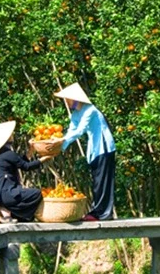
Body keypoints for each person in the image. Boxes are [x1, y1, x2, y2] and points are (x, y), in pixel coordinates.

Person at [54, 83, 116, 221]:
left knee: (103, 181)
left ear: (75, 98)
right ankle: (97, 212)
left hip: (103, 147)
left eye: (67, 99)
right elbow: (72, 130)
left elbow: (80, 130)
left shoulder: (90, 110)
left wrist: (60, 142)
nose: (66, 102)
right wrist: (60, 145)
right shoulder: (76, 113)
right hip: (94, 149)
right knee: (96, 181)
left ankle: (103, 214)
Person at [0, 120, 53, 223]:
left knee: (23, 212)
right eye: (10, 134)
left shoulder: (1, 154)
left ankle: (4, 216)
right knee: (36, 194)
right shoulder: (8, 154)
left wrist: (31, 150)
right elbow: (26, 166)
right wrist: (42, 160)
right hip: (7, 194)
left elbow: (20, 161)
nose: (12, 135)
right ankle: (8, 215)